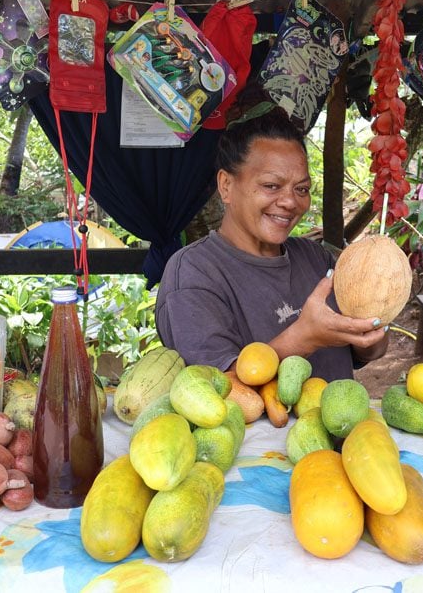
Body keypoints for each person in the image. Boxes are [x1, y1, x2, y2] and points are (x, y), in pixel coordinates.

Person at [155, 93, 388, 382]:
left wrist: (373, 330)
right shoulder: (193, 273)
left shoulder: (315, 258)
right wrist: (304, 337)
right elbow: (216, 393)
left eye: (301, 189)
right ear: (226, 186)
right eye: (271, 185)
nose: (290, 202)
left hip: (348, 427)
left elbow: (364, 353)